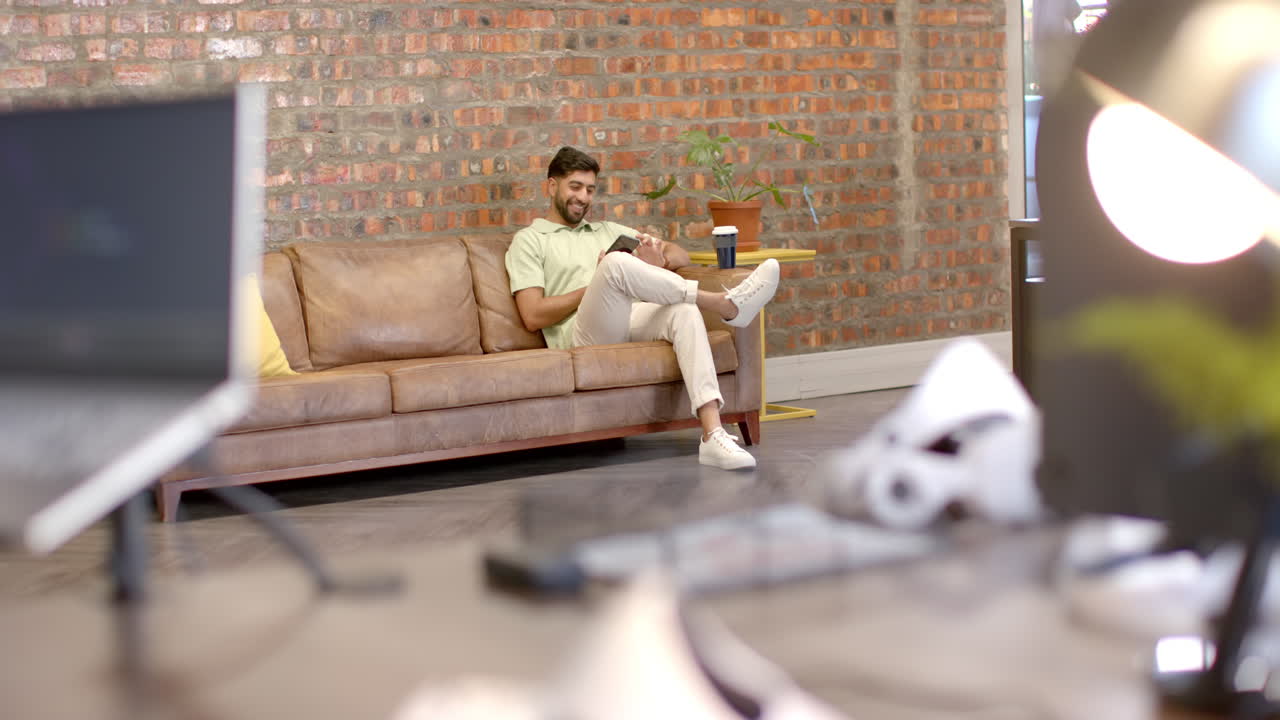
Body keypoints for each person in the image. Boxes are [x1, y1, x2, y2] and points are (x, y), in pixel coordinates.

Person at [505, 146, 781, 470]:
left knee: (684, 311)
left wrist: (657, 261)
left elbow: (681, 256)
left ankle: (712, 433)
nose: (583, 197)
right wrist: (597, 282)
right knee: (615, 263)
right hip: (583, 335)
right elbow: (532, 315)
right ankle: (723, 304)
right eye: (575, 187)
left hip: (630, 319)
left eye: (590, 189)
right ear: (552, 186)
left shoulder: (606, 230)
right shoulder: (530, 240)